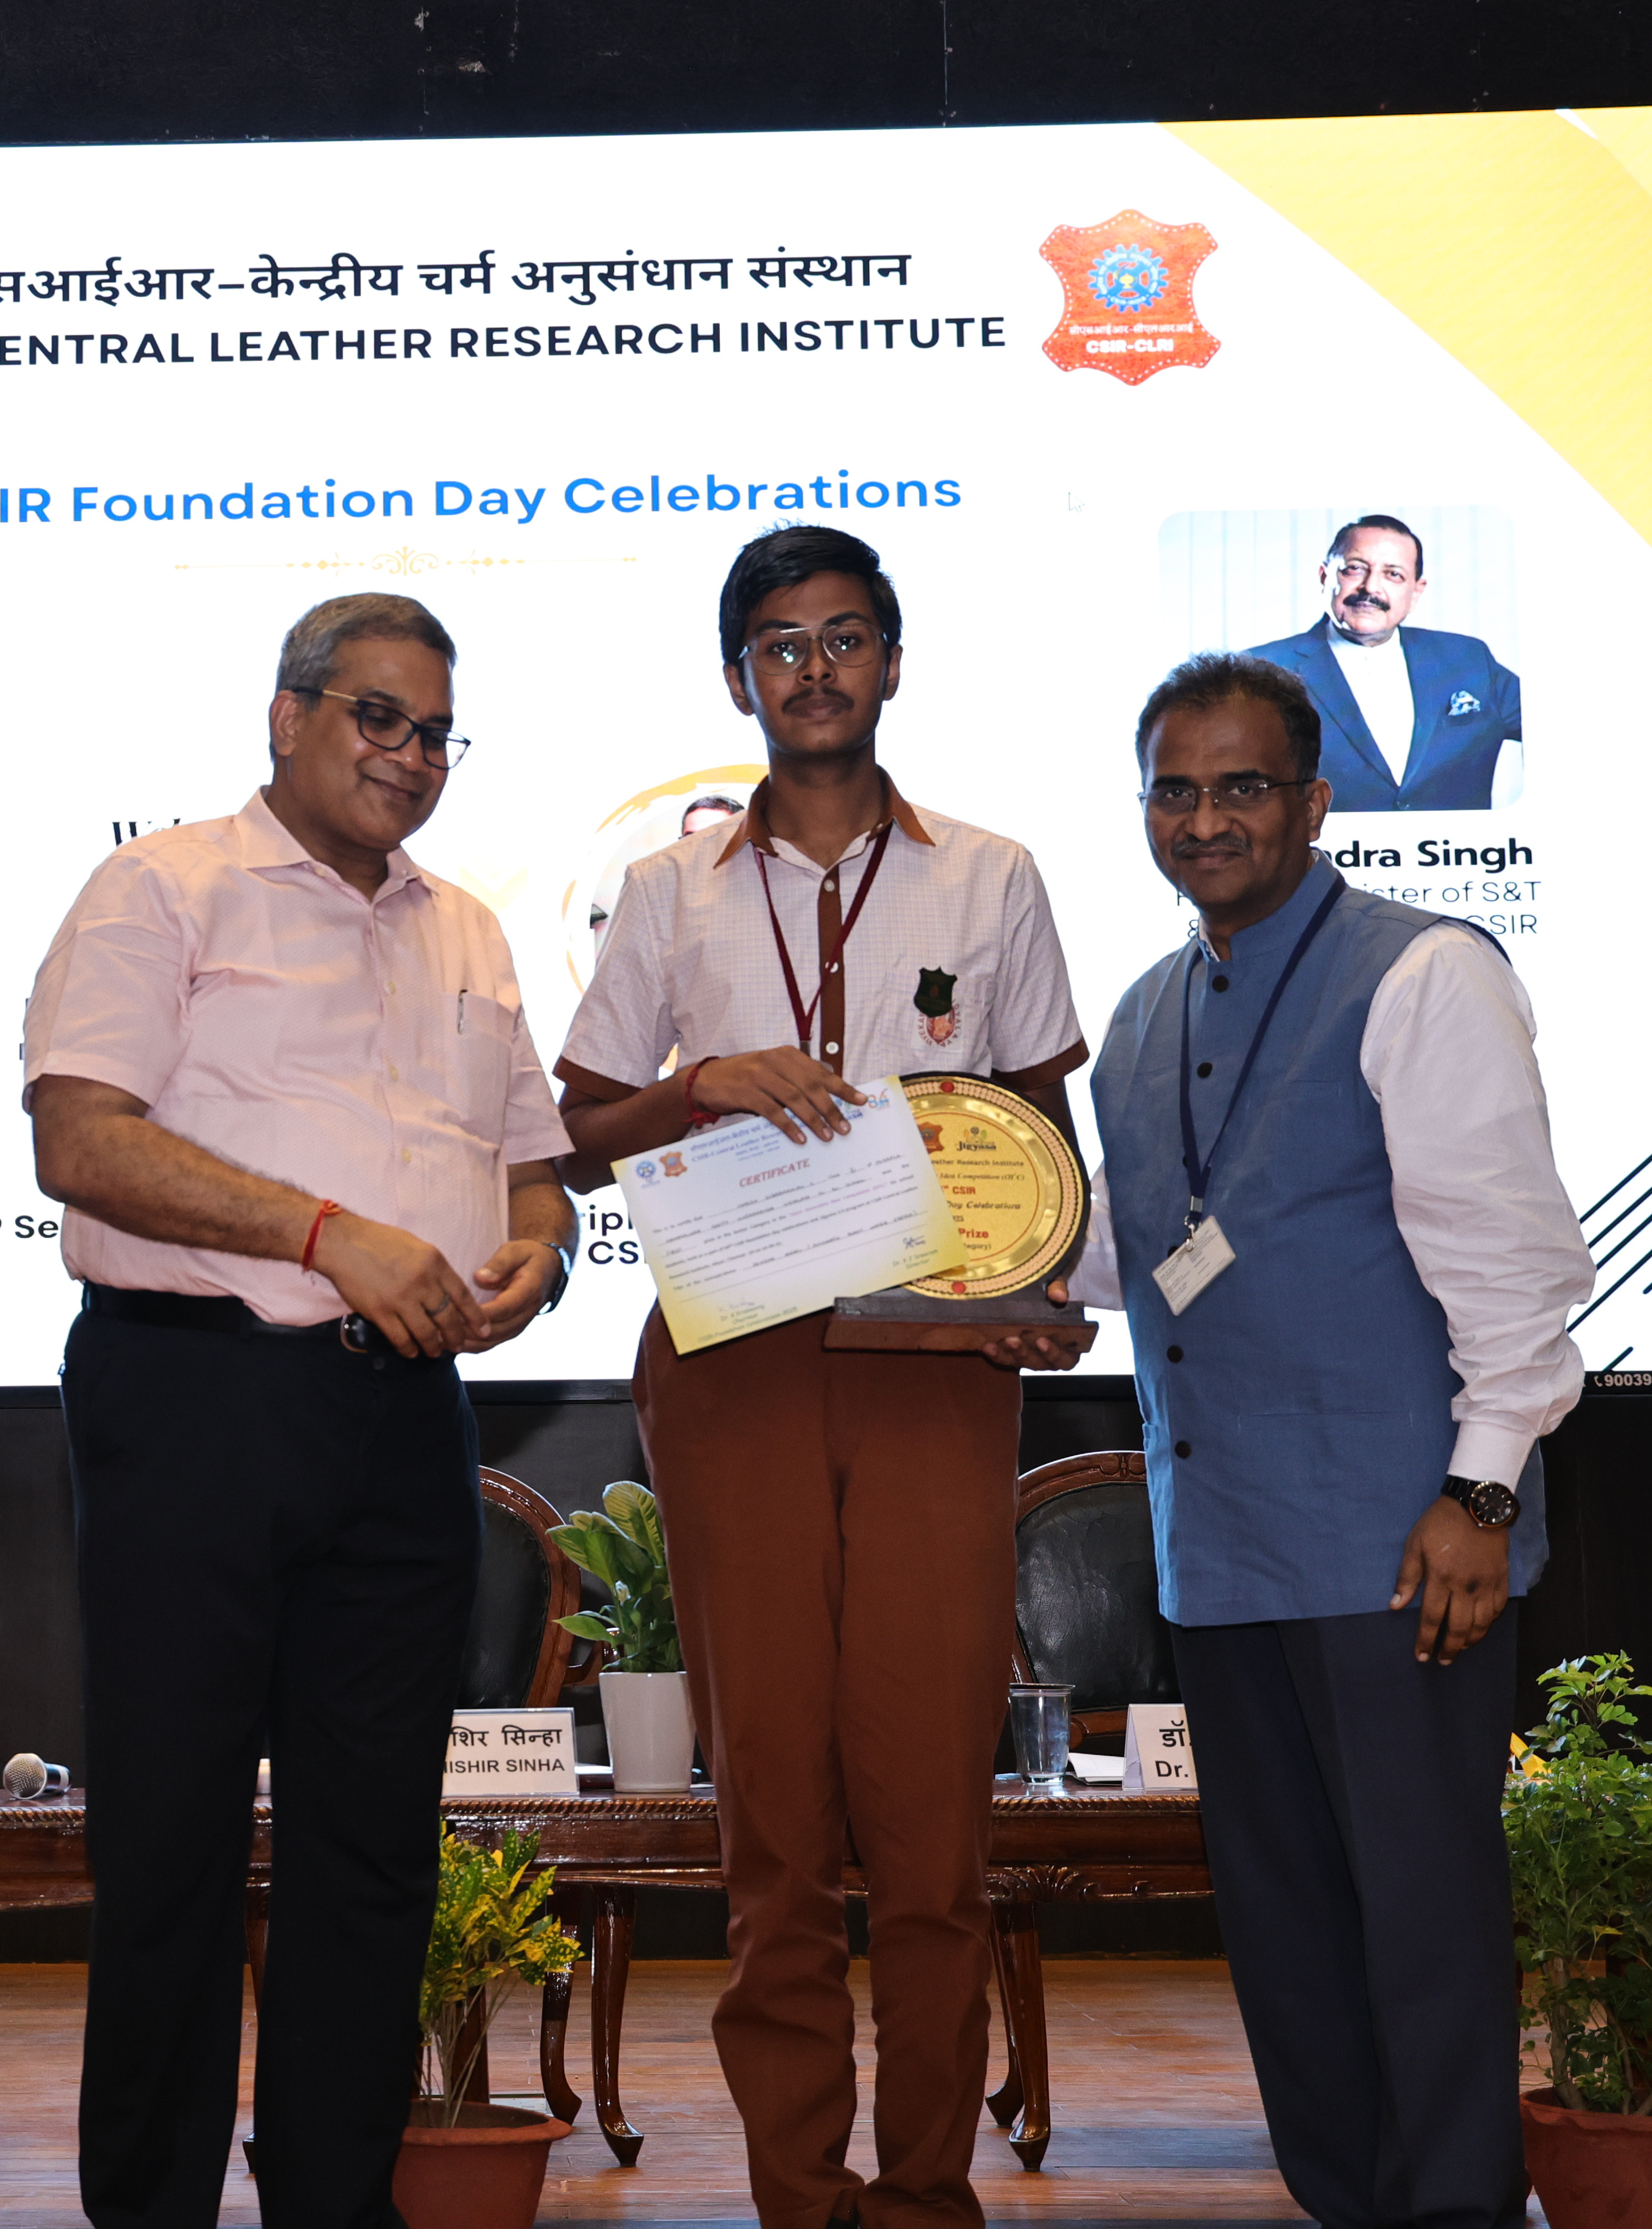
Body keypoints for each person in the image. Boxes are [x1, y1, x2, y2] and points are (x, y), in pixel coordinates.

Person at [550, 523, 1089, 2229]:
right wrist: (701, 1082)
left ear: (893, 661)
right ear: (738, 682)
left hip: (936, 1363)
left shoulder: (990, 875)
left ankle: (924, 2196)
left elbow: (1038, 1131)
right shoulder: (666, 892)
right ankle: (800, 2196)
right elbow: (572, 1131)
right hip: (734, 1361)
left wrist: (1045, 1290)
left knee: (931, 1822)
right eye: (779, 645)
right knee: (772, 1820)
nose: (813, 669)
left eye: (844, 637)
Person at [23, 592, 574, 2229]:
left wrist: (537, 1258)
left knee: (374, 1853)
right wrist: (329, 1236)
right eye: (375, 716)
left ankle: (335, 2202)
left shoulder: (468, 929)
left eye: (435, 732)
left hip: (401, 1420)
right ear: (288, 715)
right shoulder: (160, 887)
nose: (408, 754)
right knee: (171, 1848)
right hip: (195, 1396)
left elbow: (533, 1170)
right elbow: (80, 1141)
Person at [1080, 650, 1590, 2228]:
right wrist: (968, 1252)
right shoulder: (1144, 1011)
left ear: (1313, 802)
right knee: (1287, 1927)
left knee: (1422, 1913)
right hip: (1221, 1547)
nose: (1206, 819)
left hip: (1398, 1544)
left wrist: (1480, 1493)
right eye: (1175, 789)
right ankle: (1347, 2202)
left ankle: (1454, 2206)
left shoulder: (1423, 972)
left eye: (1242, 786)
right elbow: (1126, 1247)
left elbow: (1517, 1268)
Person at [1241, 515, 1522, 812]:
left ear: (1415, 592)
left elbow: (1552, 725)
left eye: (1394, 575)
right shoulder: (1260, 671)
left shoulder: (1468, 659)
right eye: (1355, 569)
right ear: (1325, 577)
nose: (1371, 588)